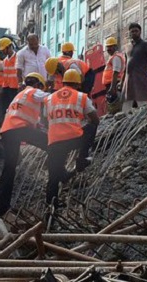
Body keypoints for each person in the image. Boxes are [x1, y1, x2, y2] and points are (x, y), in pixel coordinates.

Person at [0, 73, 49, 215]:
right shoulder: (34, 91)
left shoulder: (18, 96)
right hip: (19, 129)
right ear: (38, 85)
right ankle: (60, 173)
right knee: (51, 144)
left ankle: (2, 208)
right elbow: (50, 98)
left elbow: (28, 118)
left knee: (9, 168)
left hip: (7, 131)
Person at [44, 70, 99, 207]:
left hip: (54, 141)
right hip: (74, 138)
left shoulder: (49, 98)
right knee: (91, 127)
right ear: (78, 84)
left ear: (63, 82)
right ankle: (82, 158)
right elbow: (95, 119)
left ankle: (51, 207)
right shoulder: (81, 97)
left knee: (53, 177)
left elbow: (45, 119)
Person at [122, 23, 147, 112]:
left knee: (144, 106)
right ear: (129, 33)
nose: (134, 33)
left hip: (142, 79)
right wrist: (122, 81)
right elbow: (126, 66)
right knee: (125, 108)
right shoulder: (128, 47)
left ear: (140, 32)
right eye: (132, 31)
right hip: (128, 81)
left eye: (136, 31)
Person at [0, 37, 19, 116]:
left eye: (3, 49)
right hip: (7, 88)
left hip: (15, 88)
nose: (2, 51)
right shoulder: (5, 61)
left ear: (9, 47)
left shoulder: (18, 58)